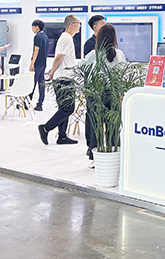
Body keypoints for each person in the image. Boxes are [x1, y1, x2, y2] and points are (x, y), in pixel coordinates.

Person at [79, 24, 126, 167]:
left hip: (96, 92)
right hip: (113, 92)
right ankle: (114, 154)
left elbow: (80, 66)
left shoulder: (94, 54)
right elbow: (123, 73)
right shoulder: (119, 54)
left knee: (96, 126)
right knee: (113, 124)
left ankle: (95, 157)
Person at [38, 15, 81, 145]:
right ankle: (46, 128)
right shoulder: (66, 38)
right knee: (68, 108)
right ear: (71, 24)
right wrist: (51, 71)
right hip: (64, 79)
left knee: (64, 108)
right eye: (78, 23)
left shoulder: (66, 38)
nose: (79, 25)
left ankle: (62, 136)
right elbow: (59, 57)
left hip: (65, 78)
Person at [29, 20, 49, 111]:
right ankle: (40, 104)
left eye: (33, 27)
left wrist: (32, 63)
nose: (32, 29)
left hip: (37, 64)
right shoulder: (45, 37)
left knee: (32, 83)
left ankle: (27, 103)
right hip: (43, 63)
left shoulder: (37, 37)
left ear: (37, 27)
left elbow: (36, 51)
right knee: (41, 84)